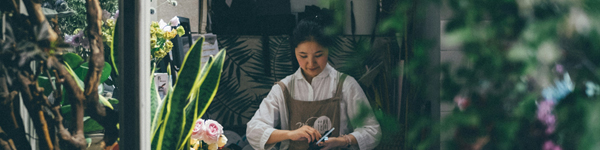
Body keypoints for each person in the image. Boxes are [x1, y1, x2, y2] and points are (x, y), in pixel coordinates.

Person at [246, 19, 381, 150]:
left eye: (318, 55)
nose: (311, 63)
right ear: (295, 52)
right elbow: (253, 130)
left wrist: (342, 141)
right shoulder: (283, 88)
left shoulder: (346, 85)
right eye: (303, 56)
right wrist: (290, 134)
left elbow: (373, 131)